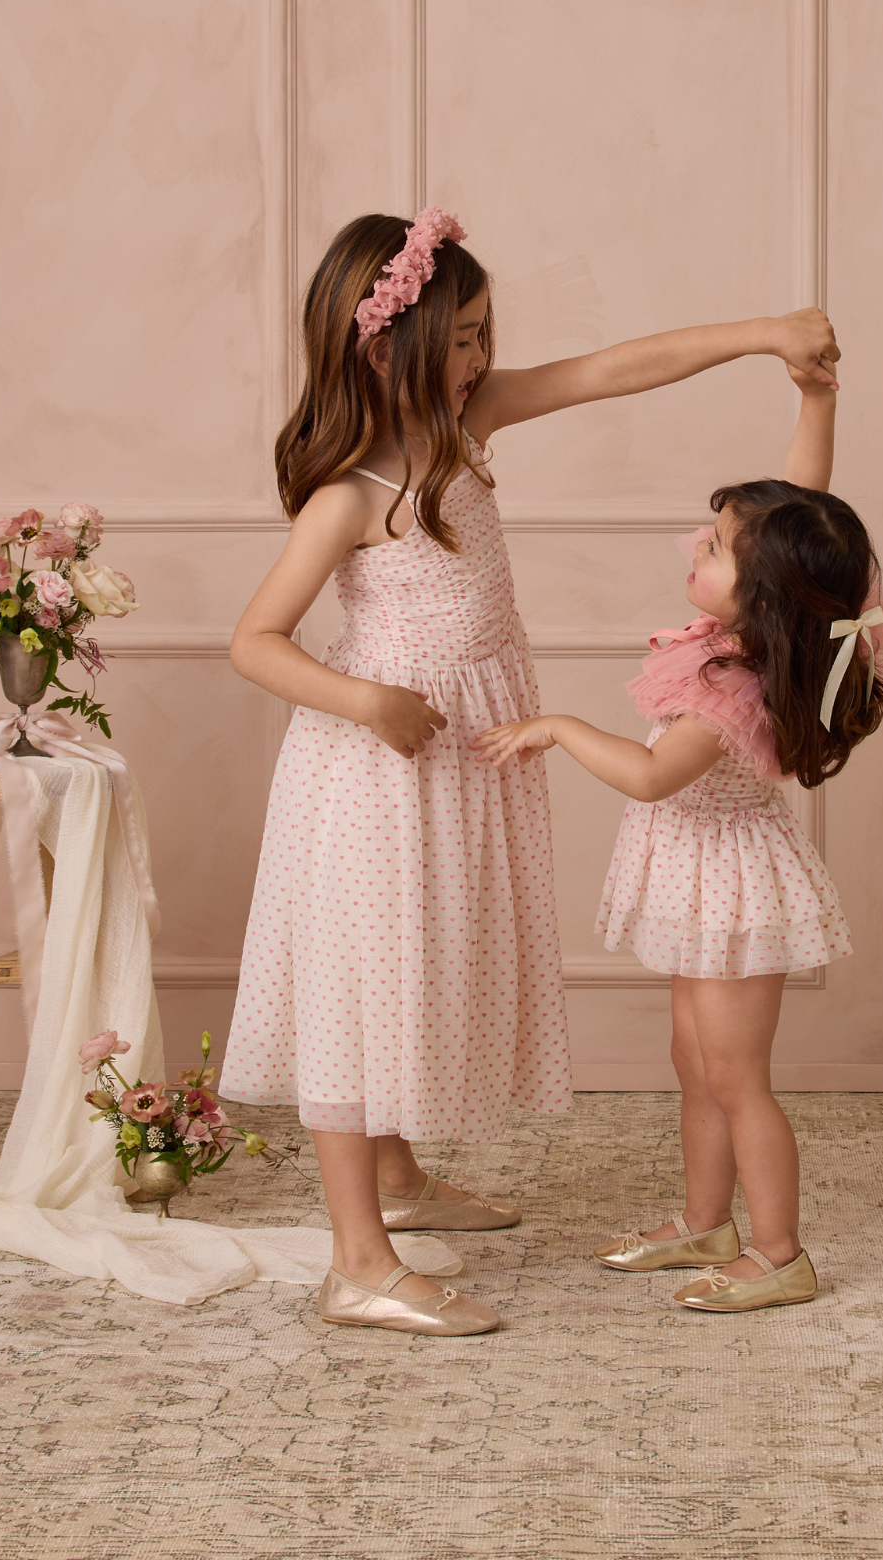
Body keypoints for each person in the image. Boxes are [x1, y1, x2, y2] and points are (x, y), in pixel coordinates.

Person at [221, 205, 841, 1335]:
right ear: (385, 346)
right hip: (379, 764)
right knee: (367, 983)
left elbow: (612, 369)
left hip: (467, 740)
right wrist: (370, 698)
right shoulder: (351, 493)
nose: (481, 360)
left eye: (484, 334)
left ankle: (397, 1178)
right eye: (460, 340)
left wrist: (764, 334)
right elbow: (253, 641)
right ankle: (357, 1260)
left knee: (426, 955)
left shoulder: (467, 429)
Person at [476, 359, 883, 1313]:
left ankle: (781, 1254)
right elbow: (806, 505)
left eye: (712, 547)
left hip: (733, 885)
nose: (691, 550)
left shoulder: (737, 684)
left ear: (764, 591)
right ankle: (707, 1221)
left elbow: (654, 776)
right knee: (694, 1062)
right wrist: (818, 398)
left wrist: (558, 727)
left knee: (738, 1075)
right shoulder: (756, 632)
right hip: (697, 874)